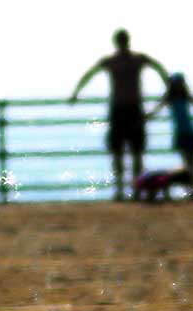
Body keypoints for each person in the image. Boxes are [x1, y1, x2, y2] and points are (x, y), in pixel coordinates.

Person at [69, 29, 168, 201]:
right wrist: (168, 87)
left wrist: (76, 93)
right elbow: (160, 68)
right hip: (127, 109)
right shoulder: (131, 60)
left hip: (126, 109)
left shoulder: (120, 61)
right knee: (125, 152)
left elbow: (88, 75)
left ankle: (127, 190)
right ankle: (128, 190)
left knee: (129, 152)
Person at [146, 73, 193, 199]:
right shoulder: (170, 98)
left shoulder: (184, 97)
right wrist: (147, 116)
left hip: (190, 132)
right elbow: (156, 109)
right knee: (187, 163)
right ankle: (190, 190)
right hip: (182, 133)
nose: (178, 85)